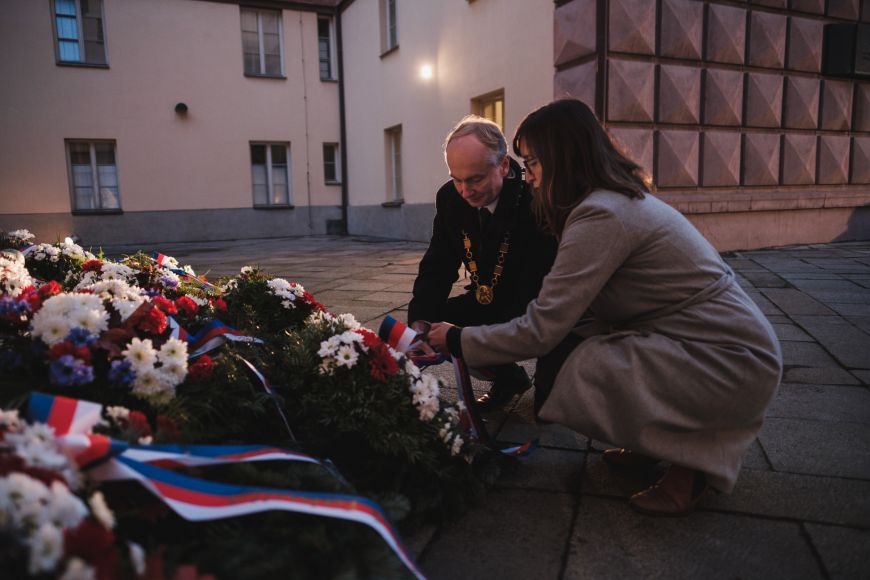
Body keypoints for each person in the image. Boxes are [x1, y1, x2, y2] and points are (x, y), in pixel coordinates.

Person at [428, 99, 782, 516]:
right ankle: (651, 443)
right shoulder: (605, 203)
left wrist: (456, 338)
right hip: (705, 345)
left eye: (534, 160)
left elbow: (544, 326)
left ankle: (694, 463)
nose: (530, 173)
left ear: (562, 157)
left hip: (730, 360)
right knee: (570, 357)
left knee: (574, 371)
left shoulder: (601, 214)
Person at [408, 115, 557, 411]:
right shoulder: (450, 198)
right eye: (457, 178)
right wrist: (421, 320)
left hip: (535, 306)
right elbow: (438, 264)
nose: (465, 190)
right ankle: (508, 378)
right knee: (433, 326)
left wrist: (471, 339)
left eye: (475, 179)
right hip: (485, 298)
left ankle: (549, 378)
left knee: (549, 407)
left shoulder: (535, 201)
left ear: (503, 166)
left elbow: (537, 287)